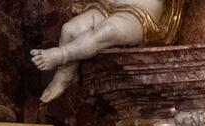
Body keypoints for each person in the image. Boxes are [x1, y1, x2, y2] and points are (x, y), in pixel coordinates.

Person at [30, 0, 176, 103]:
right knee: (69, 30)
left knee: (107, 31)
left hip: (141, 14)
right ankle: (66, 72)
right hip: (109, 8)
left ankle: (62, 55)